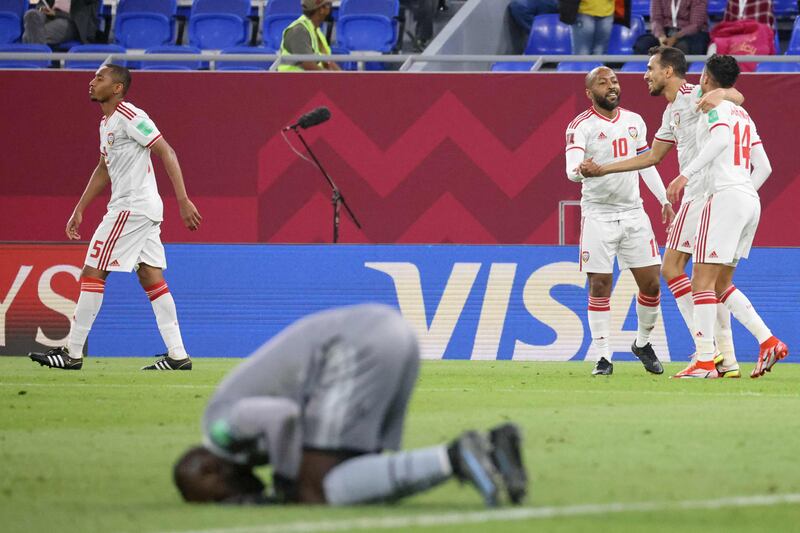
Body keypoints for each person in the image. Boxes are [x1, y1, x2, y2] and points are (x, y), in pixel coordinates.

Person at [173, 304, 528, 506]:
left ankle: (460, 456)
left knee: (313, 490)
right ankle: (474, 454)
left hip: (352, 351)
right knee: (348, 481)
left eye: (213, 498)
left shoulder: (219, 430)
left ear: (207, 468)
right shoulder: (237, 445)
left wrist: (284, 483)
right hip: (391, 335)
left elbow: (281, 417)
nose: (225, 502)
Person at [579, 47, 745, 377]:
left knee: (694, 276)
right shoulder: (671, 112)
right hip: (695, 197)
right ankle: (718, 355)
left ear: (667, 72)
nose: (645, 75)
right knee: (690, 275)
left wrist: (722, 92)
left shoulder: (693, 92)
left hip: (710, 195)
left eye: (650, 68)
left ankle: (710, 353)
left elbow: (737, 96)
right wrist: (605, 169)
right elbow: (651, 157)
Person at [28, 64, 202, 371]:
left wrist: (184, 200)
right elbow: (103, 169)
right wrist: (79, 208)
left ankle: (72, 353)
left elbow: (167, 151)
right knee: (151, 277)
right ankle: (178, 355)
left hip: (131, 209)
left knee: (93, 272)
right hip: (140, 210)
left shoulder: (130, 116)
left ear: (117, 87)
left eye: (100, 78)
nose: (92, 82)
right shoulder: (106, 124)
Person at [665, 55, 787, 378]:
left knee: (702, 281)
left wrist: (685, 175)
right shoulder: (744, 114)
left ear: (705, 77)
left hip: (724, 197)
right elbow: (765, 167)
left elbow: (719, 140)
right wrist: (744, 189)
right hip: (749, 199)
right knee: (722, 284)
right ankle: (767, 341)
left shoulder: (713, 108)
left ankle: (706, 361)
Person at [565, 67, 674, 377]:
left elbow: (645, 163)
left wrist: (663, 198)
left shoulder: (633, 121)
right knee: (600, 284)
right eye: (603, 83)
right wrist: (582, 170)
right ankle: (602, 357)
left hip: (633, 213)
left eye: (614, 81)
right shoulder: (579, 127)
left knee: (652, 283)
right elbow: (571, 168)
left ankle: (642, 343)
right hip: (598, 214)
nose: (611, 86)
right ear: (589, 93)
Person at [278, 0, 341, 72]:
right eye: (329, 5)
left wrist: (343, 77)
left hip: (312, 80)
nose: (330, 9)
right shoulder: (299, 31)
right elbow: (308, 65)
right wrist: (331, 77)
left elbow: (328, 61)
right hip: (293, 81)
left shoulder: (316, 30)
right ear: (321, 10)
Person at [632, 0, 710, 55]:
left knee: (682, 47)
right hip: (665, 31)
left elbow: (695, 25)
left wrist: (675, 37)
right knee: (643, 44)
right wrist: (661, 36)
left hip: (689, 34)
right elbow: (655, 19)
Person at [22, 0, 99, 46]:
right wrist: (43, 9)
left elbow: (80, 15)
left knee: (31, 35)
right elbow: (41, 3)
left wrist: (56, 13)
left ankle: (35, 63)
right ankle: (38, 62)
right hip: (48, 17)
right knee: (31, 14)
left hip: (71, 22)